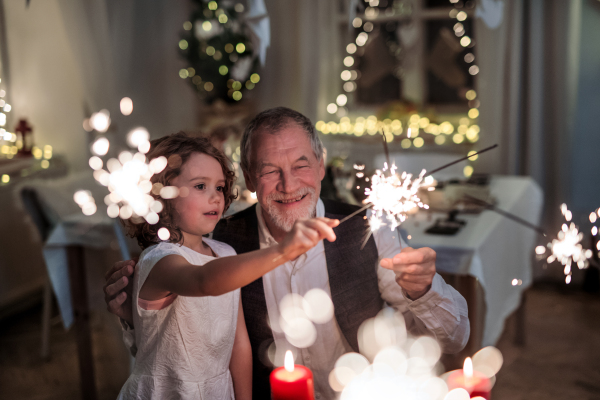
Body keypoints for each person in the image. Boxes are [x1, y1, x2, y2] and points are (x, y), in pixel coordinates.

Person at [105, 108, 470, 400]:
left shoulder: (369, 229)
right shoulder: (220, 242)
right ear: (249, 178)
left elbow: (454, 339)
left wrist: (422, 291)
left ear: (321, 165)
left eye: (301, 165)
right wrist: (131, 311)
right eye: (269, 171)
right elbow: (179, 331)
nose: (289, 184)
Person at [115, 133, 338, 400]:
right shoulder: (159, 259)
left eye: (220, 187)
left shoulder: (224, 252)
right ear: (160, 195)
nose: (215, 198)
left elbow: (238, 343)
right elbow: (203, 281)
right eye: (200, 186)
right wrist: (282, 251)